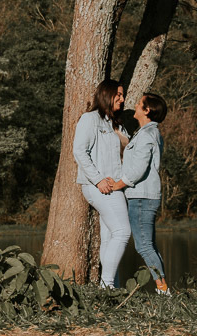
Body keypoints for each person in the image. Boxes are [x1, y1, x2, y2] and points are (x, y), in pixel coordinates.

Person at [73, 79, 130, 288]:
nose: (122, 100)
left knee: (109, 236)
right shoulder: (90, 119)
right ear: (107, 94)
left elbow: (126, 152)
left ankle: (110, 286)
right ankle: (107, 285)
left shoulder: (116, 122)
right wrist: (98, 180)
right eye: (119, 95)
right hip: (99, 187)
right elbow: (79, 151)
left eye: (122, 95)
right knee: (123, 232)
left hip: (116, 186)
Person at [112, 92, 171, 295]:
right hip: (144, 196)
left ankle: (163, 290)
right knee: (149, 245)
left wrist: (119, 184)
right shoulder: (146, 132)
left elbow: (138, 169)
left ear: (147, 111)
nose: (135, 106)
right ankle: (163, 288)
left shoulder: (147, 135)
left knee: (144, 246)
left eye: (139, 104)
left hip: (141, 197)